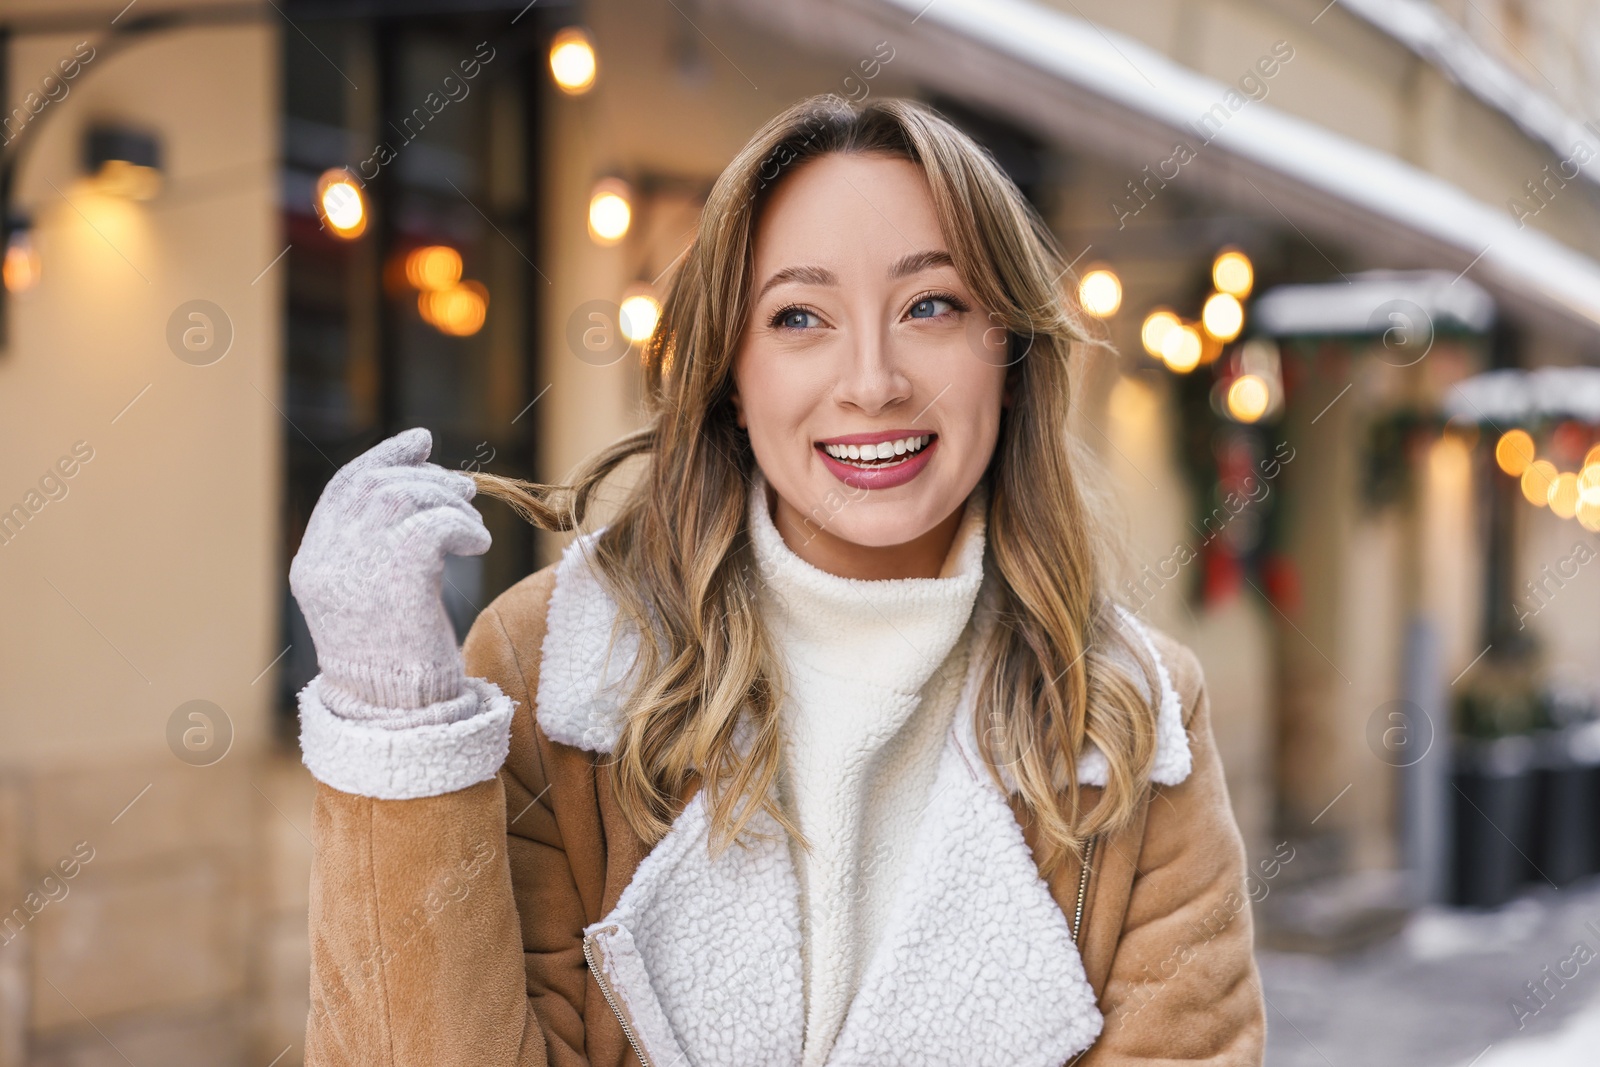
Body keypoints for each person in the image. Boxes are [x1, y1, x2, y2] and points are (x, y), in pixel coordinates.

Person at [289, 93, 1265, 1067]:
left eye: (931, 303)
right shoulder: (550, 665)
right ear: (730, 377)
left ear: (1005, 352)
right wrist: (396, 730)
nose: (872, 380)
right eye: (800, 316)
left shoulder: (1133, 715)